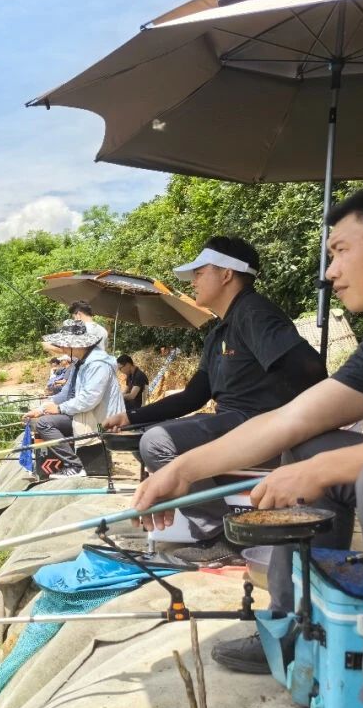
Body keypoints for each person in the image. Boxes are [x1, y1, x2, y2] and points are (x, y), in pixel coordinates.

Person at [132, 180, 363, 708]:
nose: (329, 273)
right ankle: (295, 621)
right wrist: (180, 471)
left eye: (340, 251)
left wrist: (325, 466)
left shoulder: (256, 314)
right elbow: (291, 418)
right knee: (308, 444)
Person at [104, 236, 326, 561]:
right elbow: (194, 395)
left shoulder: (255, 313)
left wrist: (288, 424)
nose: (192, 281)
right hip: (230, 422)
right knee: (146, 436)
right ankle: (215, 525)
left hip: (258, 425)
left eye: (199, 272)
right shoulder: (218, 333)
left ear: (226, 274)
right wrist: (132, 417)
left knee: (156, 443)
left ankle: (224, 536)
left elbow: (311, 369)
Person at [22, 319, 125, 478]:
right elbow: (65, 394)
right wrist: (40, 409)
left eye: (64, 344)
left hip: (102, 420)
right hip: (84, 413)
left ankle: (75, 466)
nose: (62, 348)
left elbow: (89, 399)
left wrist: (59, 409)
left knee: (44, 424)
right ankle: (73, 463)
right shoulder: (80, 363)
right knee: (42, 419)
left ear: (75, 345)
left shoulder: (97, 364)